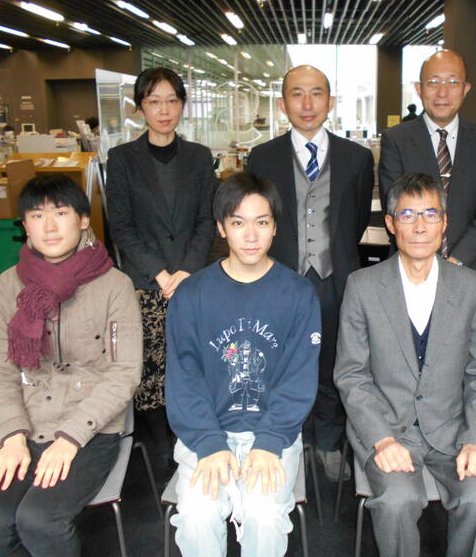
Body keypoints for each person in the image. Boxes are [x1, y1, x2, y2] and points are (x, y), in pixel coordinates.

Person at [0, 174, 142, 556]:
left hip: (90, 429)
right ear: (24, 224)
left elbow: (124, 373)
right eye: (36, 215)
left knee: (39, 519)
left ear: (82, 219)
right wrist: (11, 435)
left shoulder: (115, 285)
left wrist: (71, 438)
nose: (48, 226)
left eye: (60, 213)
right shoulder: (7, 285)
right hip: (25, 422)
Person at [335, 173, 476, 557]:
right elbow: (351, 375)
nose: (419, 225)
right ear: (391, 224)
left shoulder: (474, 288)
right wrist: (382, 438)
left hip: (455, 429)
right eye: (407, 214)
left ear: (444, 223)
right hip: (389, 428)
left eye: (430, 214)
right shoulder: (362, 286)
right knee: (397, 501)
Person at [165, 172, 320, 557]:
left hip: (272, 435)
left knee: (264, 515)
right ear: (221, 227)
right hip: (206, 432)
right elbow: (184, 379)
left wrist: (269, 443)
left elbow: (299, 379)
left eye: (261, 222)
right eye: (238, 223)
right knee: (198, 518)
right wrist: (208, 442)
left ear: (274, 228)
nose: (250, 235)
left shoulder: (299, 294)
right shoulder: (191, 295)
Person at [248, 64, 374, 481]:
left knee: (336, 360)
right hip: (280, 279)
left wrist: (328, 255)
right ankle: (292, 437)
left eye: (316, 93)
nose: (307, 103)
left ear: (330, 102)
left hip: (336, 278)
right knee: (283, 361)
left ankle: (329, 439)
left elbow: (354, 221)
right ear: (283, 104)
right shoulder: (261, 157)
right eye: (297, 94)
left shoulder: (357, 158)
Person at [106, 66, 216, 467]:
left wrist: (186, 270)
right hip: (144, 283)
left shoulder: (201, 158)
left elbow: (207, 220)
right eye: (154, 102)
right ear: (140, 108)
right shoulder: (121, 160)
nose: (164, 110)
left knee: (193, 362)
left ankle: (193, 435)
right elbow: (121, 225)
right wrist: (161, 273)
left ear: (183, 105)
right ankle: (158, 451)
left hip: (192, 280)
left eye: (172, 100)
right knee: (149, 370)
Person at [379, 49, 476, 284]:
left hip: (471, 268)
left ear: (466, 88)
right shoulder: (396, 140)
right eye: (433, 82)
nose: (442, 92)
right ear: (419, 88)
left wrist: (455, 261)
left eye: (453, 82)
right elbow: (395, 209)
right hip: (410, 270)